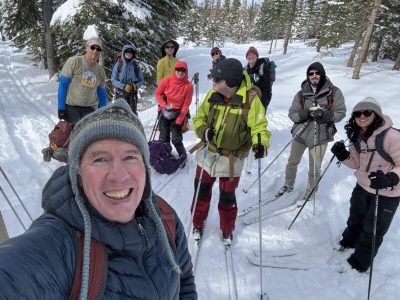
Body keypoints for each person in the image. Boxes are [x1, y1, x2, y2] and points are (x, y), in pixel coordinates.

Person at [0, 99, 197, 299]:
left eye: (130, 157)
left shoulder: (164, 217)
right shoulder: (61, 243)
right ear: (77, 172)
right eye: (100, 159)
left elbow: (185, 278)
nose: (118, 175)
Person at [190, 58, 271, 245]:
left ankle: (227, 230)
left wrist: (261, 143)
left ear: (231, 82)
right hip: (208, 153)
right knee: (200, 192)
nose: (213, 81)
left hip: (232, 160)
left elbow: (260, 127)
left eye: (218, 79)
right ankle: (197, 223)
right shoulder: (213, 94)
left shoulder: (250, 100)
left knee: (227, 198)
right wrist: (203, 131)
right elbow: (199, 118)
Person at [331, 97, 400, 273]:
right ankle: (350, 240)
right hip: (363, 186)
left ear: (376, 114)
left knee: (373, 228)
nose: (362, 116)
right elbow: (356, 164)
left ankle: (359, 263)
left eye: (366, 112)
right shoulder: (357, 136)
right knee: (356, 217)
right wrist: (343, 155)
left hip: (387, 192)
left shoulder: (392, 136)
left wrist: (391, 178)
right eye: (357, 113)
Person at [276, 62, 346, 206]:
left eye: (317, 73)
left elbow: (341, 113)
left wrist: (325, 114)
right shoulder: (302, 93)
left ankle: (310, 193)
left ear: (322, 74)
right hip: (301, 133)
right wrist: (305, 114)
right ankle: (288, 184)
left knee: (314, 167)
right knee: (292, 161)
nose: (314, 76)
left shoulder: (334, 92)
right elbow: (292, 113)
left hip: (320, 135)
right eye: (311, 73)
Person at [57, 37, 107, 125]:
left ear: (100, 52)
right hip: (71, 107)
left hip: (90, 109)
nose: (95, 51)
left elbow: (101, 93)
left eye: (98, 49)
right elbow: (63, 84)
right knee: (74, 134)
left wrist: (104, 111)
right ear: (86, 48)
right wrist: (61, 107)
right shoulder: (74, 62)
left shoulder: (100, 71)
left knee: (89, 136)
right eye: (92, 47)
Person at [155, 61, 193, 161]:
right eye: (178, 70)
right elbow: (158, 94)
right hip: (165, 112)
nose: (180, 73)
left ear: (186, 72)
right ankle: (165, 154)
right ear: (175, 70)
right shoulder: (167, 80)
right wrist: (164, 105)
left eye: (183, 71)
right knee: (163, 136)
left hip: (178, 113)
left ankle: (182, 155)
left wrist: (179, 120)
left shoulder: (188, 86)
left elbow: (186, 104)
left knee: (176, 138)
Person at [111, 44, 144, 114]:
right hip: (120, 93)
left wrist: (136, 86)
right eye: (127, 52)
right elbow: (113, 80)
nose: (129, 54)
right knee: (119, 113)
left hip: (132, 93)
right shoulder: (119, 63)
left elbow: (141, 80)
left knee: (132, 112)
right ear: (123, 53)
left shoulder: (136, 65)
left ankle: (133, 125)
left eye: (131, 52)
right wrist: (123, 86)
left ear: (133, 54)